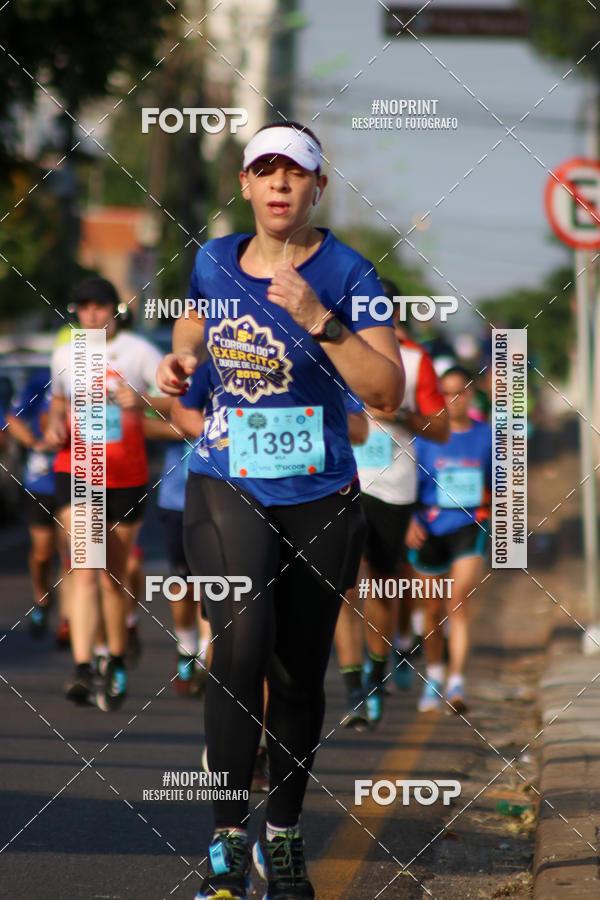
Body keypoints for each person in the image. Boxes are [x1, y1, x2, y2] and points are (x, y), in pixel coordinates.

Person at [156, 121, 404, 900]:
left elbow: (387, 392)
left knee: (298, 676)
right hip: (228, 478)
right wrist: (184, 354)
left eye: (293, 173)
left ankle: (285, 838)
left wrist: (319, 320)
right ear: (245, 184)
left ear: (316, 187)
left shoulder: (350, 272)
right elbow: (194, 315)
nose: (279, 184)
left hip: (321, 492)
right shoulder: (214, 257)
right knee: (241, 647)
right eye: (264, 171)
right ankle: (228, 844)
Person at [45, 276, 168, 710]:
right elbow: (59, 402)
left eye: (99, 307)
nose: (91, 314)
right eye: (83, 307)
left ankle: (115, 657)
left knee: (114, 577)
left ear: (114, 310)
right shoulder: (64, 353)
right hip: (75, 470)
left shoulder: (140, 352)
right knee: (84, 565)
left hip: (126, 476)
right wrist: (56, 423)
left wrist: (140, 400)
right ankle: (82, 668)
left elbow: (173, 399)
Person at [334, 283, 449, 727]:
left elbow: (440, 430)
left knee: (381, 586)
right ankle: (353, 689)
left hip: (392, 485)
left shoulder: (416, 360)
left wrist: (397, 415)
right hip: (338, 478)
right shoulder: (331, 351)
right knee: (342, 587)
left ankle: (376, 673)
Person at [405, 365, 492, 715]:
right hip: (429, 527)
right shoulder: (424, 437)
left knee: (458, 601)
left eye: (460, 392)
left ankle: (457, 681)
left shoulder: (488, 436)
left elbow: (506, 486)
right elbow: (405, 483)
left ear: (471, 394)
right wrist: (409, 520)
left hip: (469, 524)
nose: (452, 400)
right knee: (432, 610)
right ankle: (435, 675)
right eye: (446, 393)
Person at [7, 368, 71, 643]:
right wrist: (34, 442)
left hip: (75, 478)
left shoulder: (96, 380)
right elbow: (13, 419)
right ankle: (42, 598)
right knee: (43, 553)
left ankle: (69, 619)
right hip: (42, 481)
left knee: (70, 553)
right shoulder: (40, 380)